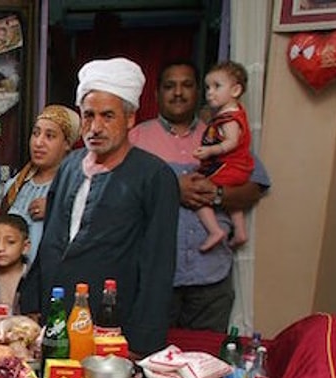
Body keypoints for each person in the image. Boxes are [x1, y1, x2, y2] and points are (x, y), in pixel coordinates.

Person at [19, 57, 180, 357]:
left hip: (112, 327)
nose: (95, 127)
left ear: (130, 118)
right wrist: (33, 305)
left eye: (108, 116)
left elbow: (158, 267)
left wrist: (141, 344)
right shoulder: (68, 166)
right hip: (58, 317)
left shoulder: (155, 177)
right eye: (89, 115)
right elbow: (51, 243)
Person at [129, 60, 270, 333]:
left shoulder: (221, 135)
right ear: (157, 94)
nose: (178, 93)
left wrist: (216, 194)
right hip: (154, 279)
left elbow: (256, 185)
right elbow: (117, 200)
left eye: (187, 85)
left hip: (211, 279)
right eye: (169, 86)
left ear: (199, 92)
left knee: (206, 365)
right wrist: (172, 190)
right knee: (150, 365)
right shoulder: (136, 139)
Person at [1, 104, 81, 263]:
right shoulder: (14, 187)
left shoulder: (75, 189)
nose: (38, 142)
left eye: (50, 136)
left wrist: (56, 209)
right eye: (36, 133)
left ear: (67, 143)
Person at [193, 61, 254, 251]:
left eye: (217, 87)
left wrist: (211, 151)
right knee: (232, 202)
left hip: (227, 167)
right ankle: (240, 231)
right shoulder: (236, 112)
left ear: (236, 90)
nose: (210, 92)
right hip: (239, 169)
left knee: (198, 191)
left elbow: (231, 142)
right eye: (208, 87)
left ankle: (214, 230)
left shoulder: (229, 118)